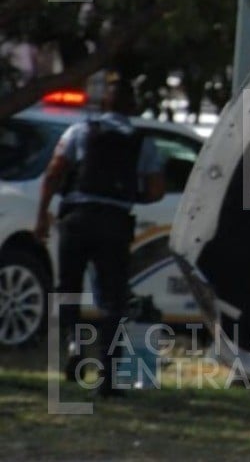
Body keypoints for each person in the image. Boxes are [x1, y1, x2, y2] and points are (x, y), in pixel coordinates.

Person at [34, 75, 164, 396]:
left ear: (103, 103)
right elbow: (156, 189)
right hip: (114, 223)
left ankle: (76, 346)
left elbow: (53, 173)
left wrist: (42, 216)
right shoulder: (142, 141)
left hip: (76, 219)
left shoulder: (80, 131)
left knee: (68, 289)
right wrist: (130, 196)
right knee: (113, 300)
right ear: (132, 107)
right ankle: (106, 380)